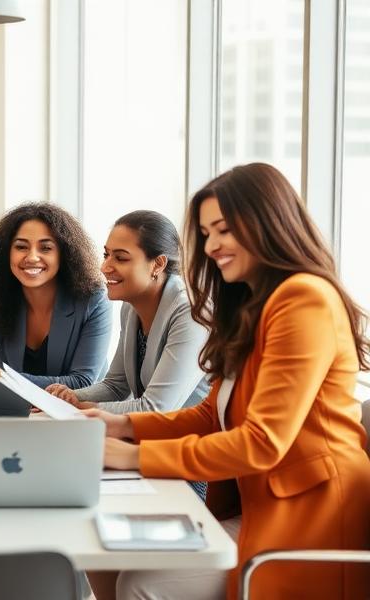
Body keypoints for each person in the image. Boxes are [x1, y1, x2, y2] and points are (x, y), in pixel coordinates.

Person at [87, 163, 370, 600]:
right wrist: (122, 426)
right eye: (206, 233)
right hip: (256, 503)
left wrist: (133, 458)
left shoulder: (304, 300)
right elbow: (212, 412)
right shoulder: (254, 305)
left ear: (267, 223)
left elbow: (261, 442)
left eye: (224, 230)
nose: (213, 245)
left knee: (143, 584)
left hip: (310, 518)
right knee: (108, 556)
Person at [46, 210, 208, 411]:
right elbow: (115, 386)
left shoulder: (190, 312)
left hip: (197, 438)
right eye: (107, 255)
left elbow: (156, 408)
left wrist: (85, 407)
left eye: (121, 258)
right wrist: (69, 397)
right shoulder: (131, 307)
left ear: (157, 264)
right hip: (155, 435)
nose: (104, 267)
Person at [0, 202, 112, 389]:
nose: (32, 257)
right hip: (21, 416)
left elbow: (82, 382)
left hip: (83, 414)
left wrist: (4, 380)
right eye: (21, 247)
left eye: (45, 248)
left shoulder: (93, 300)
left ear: (64, 254)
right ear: (6, 253)